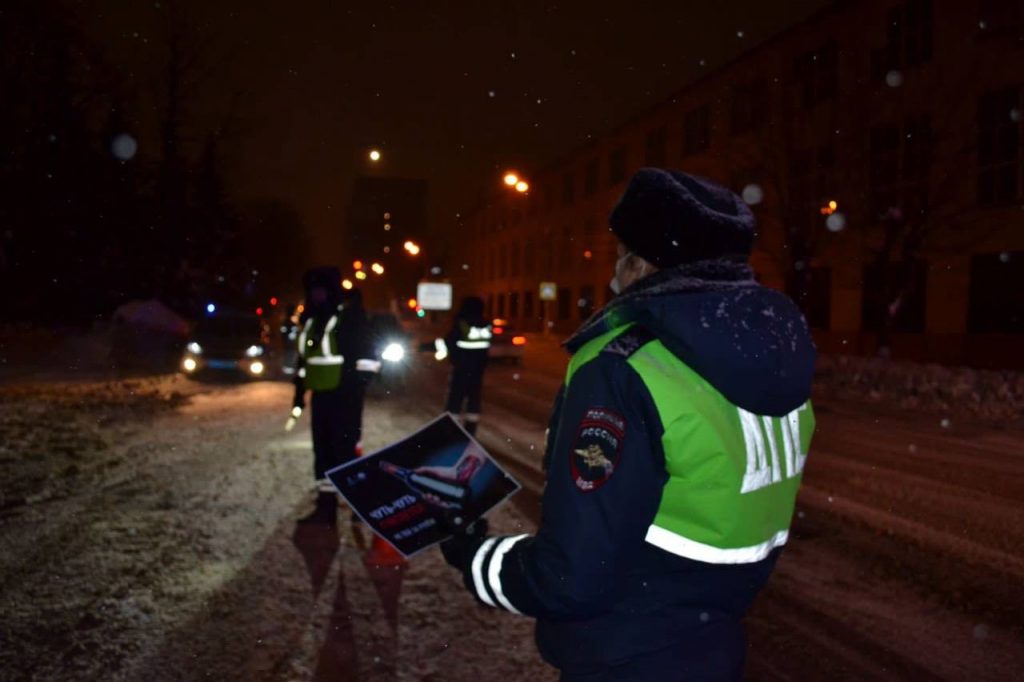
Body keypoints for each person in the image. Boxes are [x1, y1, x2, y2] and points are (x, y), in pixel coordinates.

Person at [441, 168, 817, 681]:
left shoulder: (622, 367)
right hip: (712, 644)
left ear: (640, 262)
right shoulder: (770, 360)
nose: (613, 272)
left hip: (623, 654)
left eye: (621, 254)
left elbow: (572, 577)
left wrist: (475, 556)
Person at [291, 269, 379, 525]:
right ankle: (326, 507)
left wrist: (354, 388)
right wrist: (299, 395)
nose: (316, 295)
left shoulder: (349, 317)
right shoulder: (312, 320)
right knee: (322, 452)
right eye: (312, 291)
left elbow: (367, 358)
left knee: (345, 452)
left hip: (345, 398)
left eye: (321, 290)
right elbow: (304, 363)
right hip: (322, 396)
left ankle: (362, 507)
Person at [435, 296, 491, 435]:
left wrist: (428, 347)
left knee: (455, 399)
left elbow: (449, 342)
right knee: (474, 401)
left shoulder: (461, 323)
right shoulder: (486, 325)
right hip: (478, 371)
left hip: (461, 369)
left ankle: (450, 431)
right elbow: (485, 349)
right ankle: (470, 431)